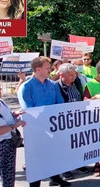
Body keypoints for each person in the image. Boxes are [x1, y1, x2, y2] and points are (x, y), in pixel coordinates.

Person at [17, 56, 69, 187]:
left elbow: (60, 103)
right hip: (35, 129)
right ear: (37, 69)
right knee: (36, 158)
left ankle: (55, 177)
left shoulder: (53, 84)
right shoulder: (26, 87)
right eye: (47, 68)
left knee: (54, 153)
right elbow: (28, 109)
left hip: (53, 126)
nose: (50, 71)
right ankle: (35, 184)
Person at [56, 63, 89, 179]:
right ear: (62, 75)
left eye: (74, 75)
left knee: (77, 144)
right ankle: (65, 169)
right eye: (70, 75)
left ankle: (78, 164)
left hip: (78, 120)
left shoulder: (76, 84)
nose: (73, 77)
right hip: (64, 122)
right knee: (64, 146)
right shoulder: (56, 87)